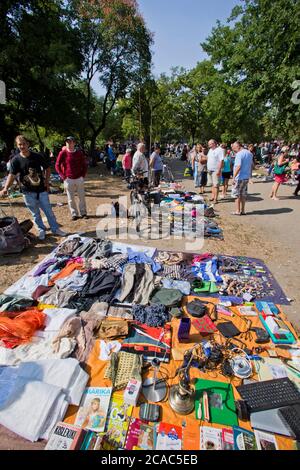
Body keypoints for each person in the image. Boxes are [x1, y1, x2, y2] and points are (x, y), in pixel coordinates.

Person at [0, 135, 66, 240]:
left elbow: (47, 168)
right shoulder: (15, 160)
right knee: (35, 214)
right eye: (19, 144)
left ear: (28, 144)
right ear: (17, 146)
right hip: (27, 192)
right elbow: (11, 175)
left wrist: (47, 182)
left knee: (48, 211)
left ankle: (55, 229)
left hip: (41, 190)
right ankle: (41, 230)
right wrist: (5, 188)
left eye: (24, 144)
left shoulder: (37, 156)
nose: (22, 146)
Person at [56, 136, 88, 221]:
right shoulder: (63, 153)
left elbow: (84, 164)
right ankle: (74, 214)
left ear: (74, 143)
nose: (69, 144)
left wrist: (82, 175)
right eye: (67, 142)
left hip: (79, 178)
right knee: (70, 198)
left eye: (71, 142)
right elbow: (57, 165)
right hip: (68, 178)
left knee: (81, 197)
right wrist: (63, 177)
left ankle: (83, 213)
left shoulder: (79, 153)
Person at [231, 141, 254, 215]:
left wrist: (233, 177)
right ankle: (243, 210)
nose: (233, 149)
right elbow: (251, 165)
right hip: (245, 177)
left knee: (237, 194)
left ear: (238, 146)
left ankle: (237, 211)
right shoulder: (249, 153)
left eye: (234, 147)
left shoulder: (239, 154)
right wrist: (250, 176)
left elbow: (238, 166)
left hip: (239, 177)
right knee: (243, 194)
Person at [207, 139, 224, 204]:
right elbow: (209, 158)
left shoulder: (219, 150)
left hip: (216, 170)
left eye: (210, 144)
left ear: (214, 144)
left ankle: (216, 199)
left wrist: (219, 170)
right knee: (212, 185)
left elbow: (221, 161)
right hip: (210, 170)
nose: (209, 145)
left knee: (216, 185)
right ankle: (212, 197)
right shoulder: (210, 150)